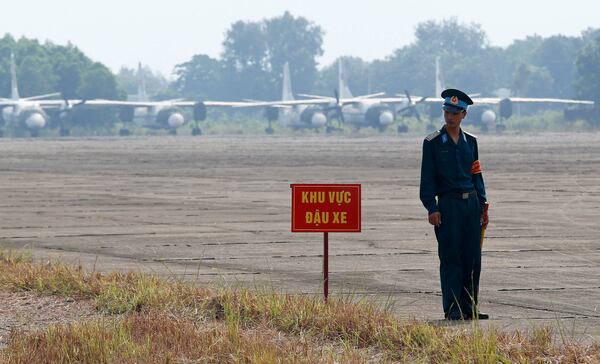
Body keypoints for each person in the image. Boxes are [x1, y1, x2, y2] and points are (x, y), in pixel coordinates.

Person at [419, 88, 489, 320]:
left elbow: (476, 174)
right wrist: (432, 207)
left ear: (464, 115)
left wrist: (484, 203)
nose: (450, 116)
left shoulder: (471, 142)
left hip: (471, 206)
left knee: (472, 259)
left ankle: (470, 308)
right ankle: (453, 309)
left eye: (455, 113)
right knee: (451, 258)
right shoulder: (433, 142)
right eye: (447, 111)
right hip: (448, 206)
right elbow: (427, 178)